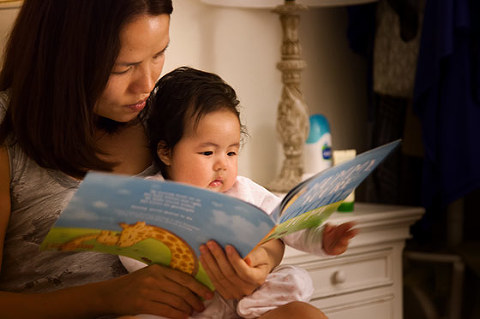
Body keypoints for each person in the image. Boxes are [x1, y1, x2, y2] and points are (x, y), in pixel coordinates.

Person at [0, 1, 218, 318]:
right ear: (63, 56)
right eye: (122, 67)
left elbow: (236, 201)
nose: (146, 85)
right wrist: (105, 298)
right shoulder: (8, 134)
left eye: (158, 54)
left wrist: (263, 256)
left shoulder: (165, 117)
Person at [119, 66, 358, 319]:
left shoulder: (244, 190)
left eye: (231, 152)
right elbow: (131, 250)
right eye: (208, 153)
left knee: (303, 305)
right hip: (187, 306)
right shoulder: (151, 196)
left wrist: (320, 238)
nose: (222, 164)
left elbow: (285, 222)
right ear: (166, 152)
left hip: (251, 301)